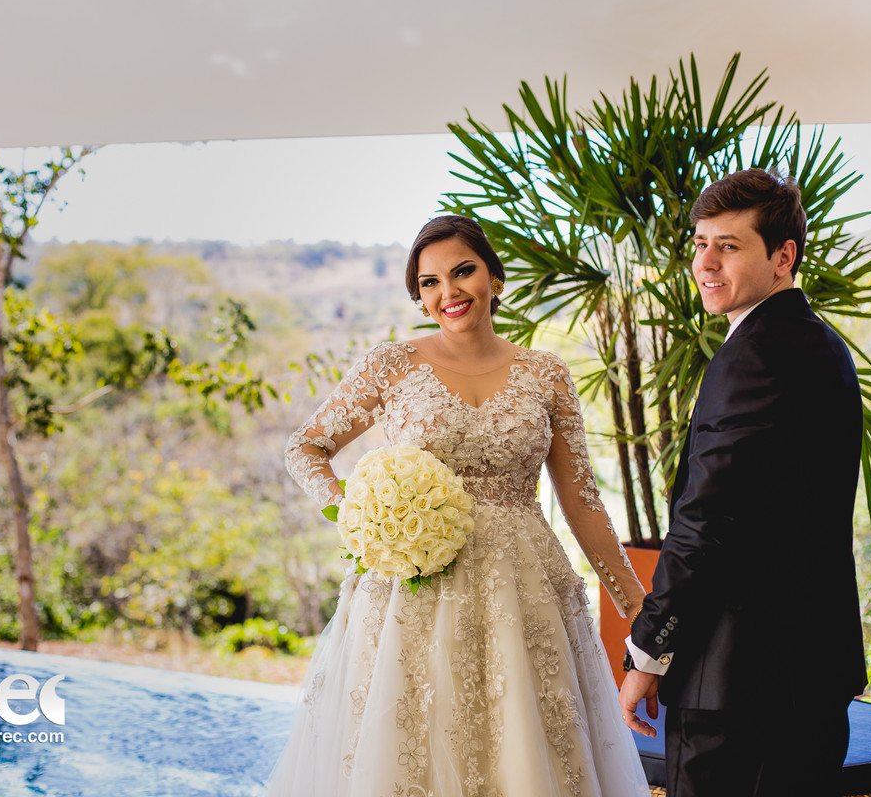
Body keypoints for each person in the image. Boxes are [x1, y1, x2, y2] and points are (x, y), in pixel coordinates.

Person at [268, 214, 651, 796]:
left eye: (463, 272)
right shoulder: (392, 366)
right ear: (419, 298)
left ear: (494, 278)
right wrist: (361, 516)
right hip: (413, 592)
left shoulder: (546, 374)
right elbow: (307, 447)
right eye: (429, 282)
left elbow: (582, 502)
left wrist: (640, 613)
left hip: (523, 595)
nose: (448, 292)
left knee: (523, 751)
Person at [619, 168, 866, 796]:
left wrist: (647, 653)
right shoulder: (821, 345)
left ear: (783, 256)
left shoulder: (754, 355)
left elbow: (706, 521)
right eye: (700, 243)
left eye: (728, 246)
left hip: (738, 686)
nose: (705, 263)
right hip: (808, 677)